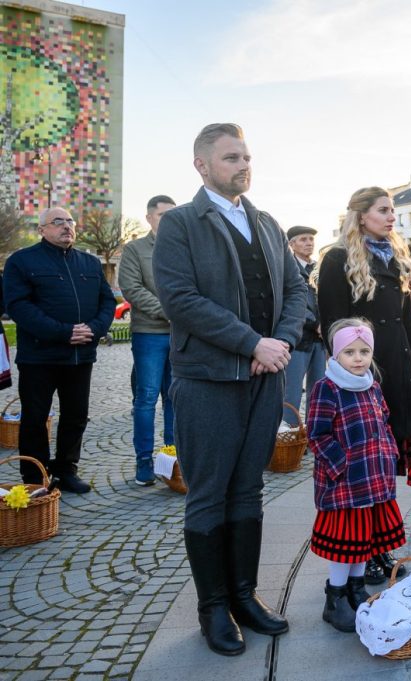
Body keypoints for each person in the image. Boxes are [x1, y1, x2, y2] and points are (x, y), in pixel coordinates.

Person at [153, 123, 306, 655]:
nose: (244, 164)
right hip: (208, 381)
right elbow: (180, 299)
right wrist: (251, 344)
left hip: (264, 378)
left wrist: (281, 342)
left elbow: (296, 291)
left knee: (248, 490)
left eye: (247, 156)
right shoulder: (180, 223)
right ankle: (212, 607)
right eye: (231, 157)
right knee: (208, 495)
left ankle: (244, 595)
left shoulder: (265, 222)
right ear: (202, 165)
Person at [316, 186, 411, 582]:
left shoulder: (395, 257)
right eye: (384, 210)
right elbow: (333, 326)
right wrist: (350, 376)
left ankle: (380, 545)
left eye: (392, 210)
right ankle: (362, 550)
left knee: (386, 464)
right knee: (364, 468)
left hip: (397, 373)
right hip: (363, 378)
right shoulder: (337, 258)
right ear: (361, 215)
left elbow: (407, 322)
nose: (392, 216)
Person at [3, 206, 115, 492]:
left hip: (81, 357)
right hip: (39, 357)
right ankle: (35, 478)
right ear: (42, 230)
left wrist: (95, 329)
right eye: (58, 222)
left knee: (76, 416)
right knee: (35, 419)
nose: (67, 226)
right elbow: (19, 307)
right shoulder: (22, 261)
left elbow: (107, 302)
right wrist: (64, 332)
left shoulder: (89, 263)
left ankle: (67, 470)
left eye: (70, 221)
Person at [306, 319, 407, 633]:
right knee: (345, 543)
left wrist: (389, 451)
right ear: (337, 355)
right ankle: (335, 597)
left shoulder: (372, 386)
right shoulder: (327, 388)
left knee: (364, 539)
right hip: (344, 484)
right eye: (350, 352)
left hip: (373, 479)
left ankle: (356, 586)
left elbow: (385, 422)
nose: (358, 358)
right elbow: (317, 434)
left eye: (364, 351)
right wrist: (342, 464)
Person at [119, 195, 176, 486]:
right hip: (149, 335)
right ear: (150, 217)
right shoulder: (135, 249)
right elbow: (132, 289)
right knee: (146, 398)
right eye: (163, 215)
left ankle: (172, 460)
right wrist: (169, 312)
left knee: (175, 399)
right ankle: (143, 461)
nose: (168, 219)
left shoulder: (183, 248)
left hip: (180, 336)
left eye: (173, 215)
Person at [281, 225, 327, 427]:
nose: (309, 243)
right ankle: (289, 437)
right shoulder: (286, 267)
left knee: (318, 391)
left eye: (311, 239)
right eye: (303, 239)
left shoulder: (319, 268)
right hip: (298, 338)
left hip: (320, 339)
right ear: (291, 244)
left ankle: (313, 435)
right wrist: (315, 324)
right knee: (291, 394)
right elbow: (292, 302)